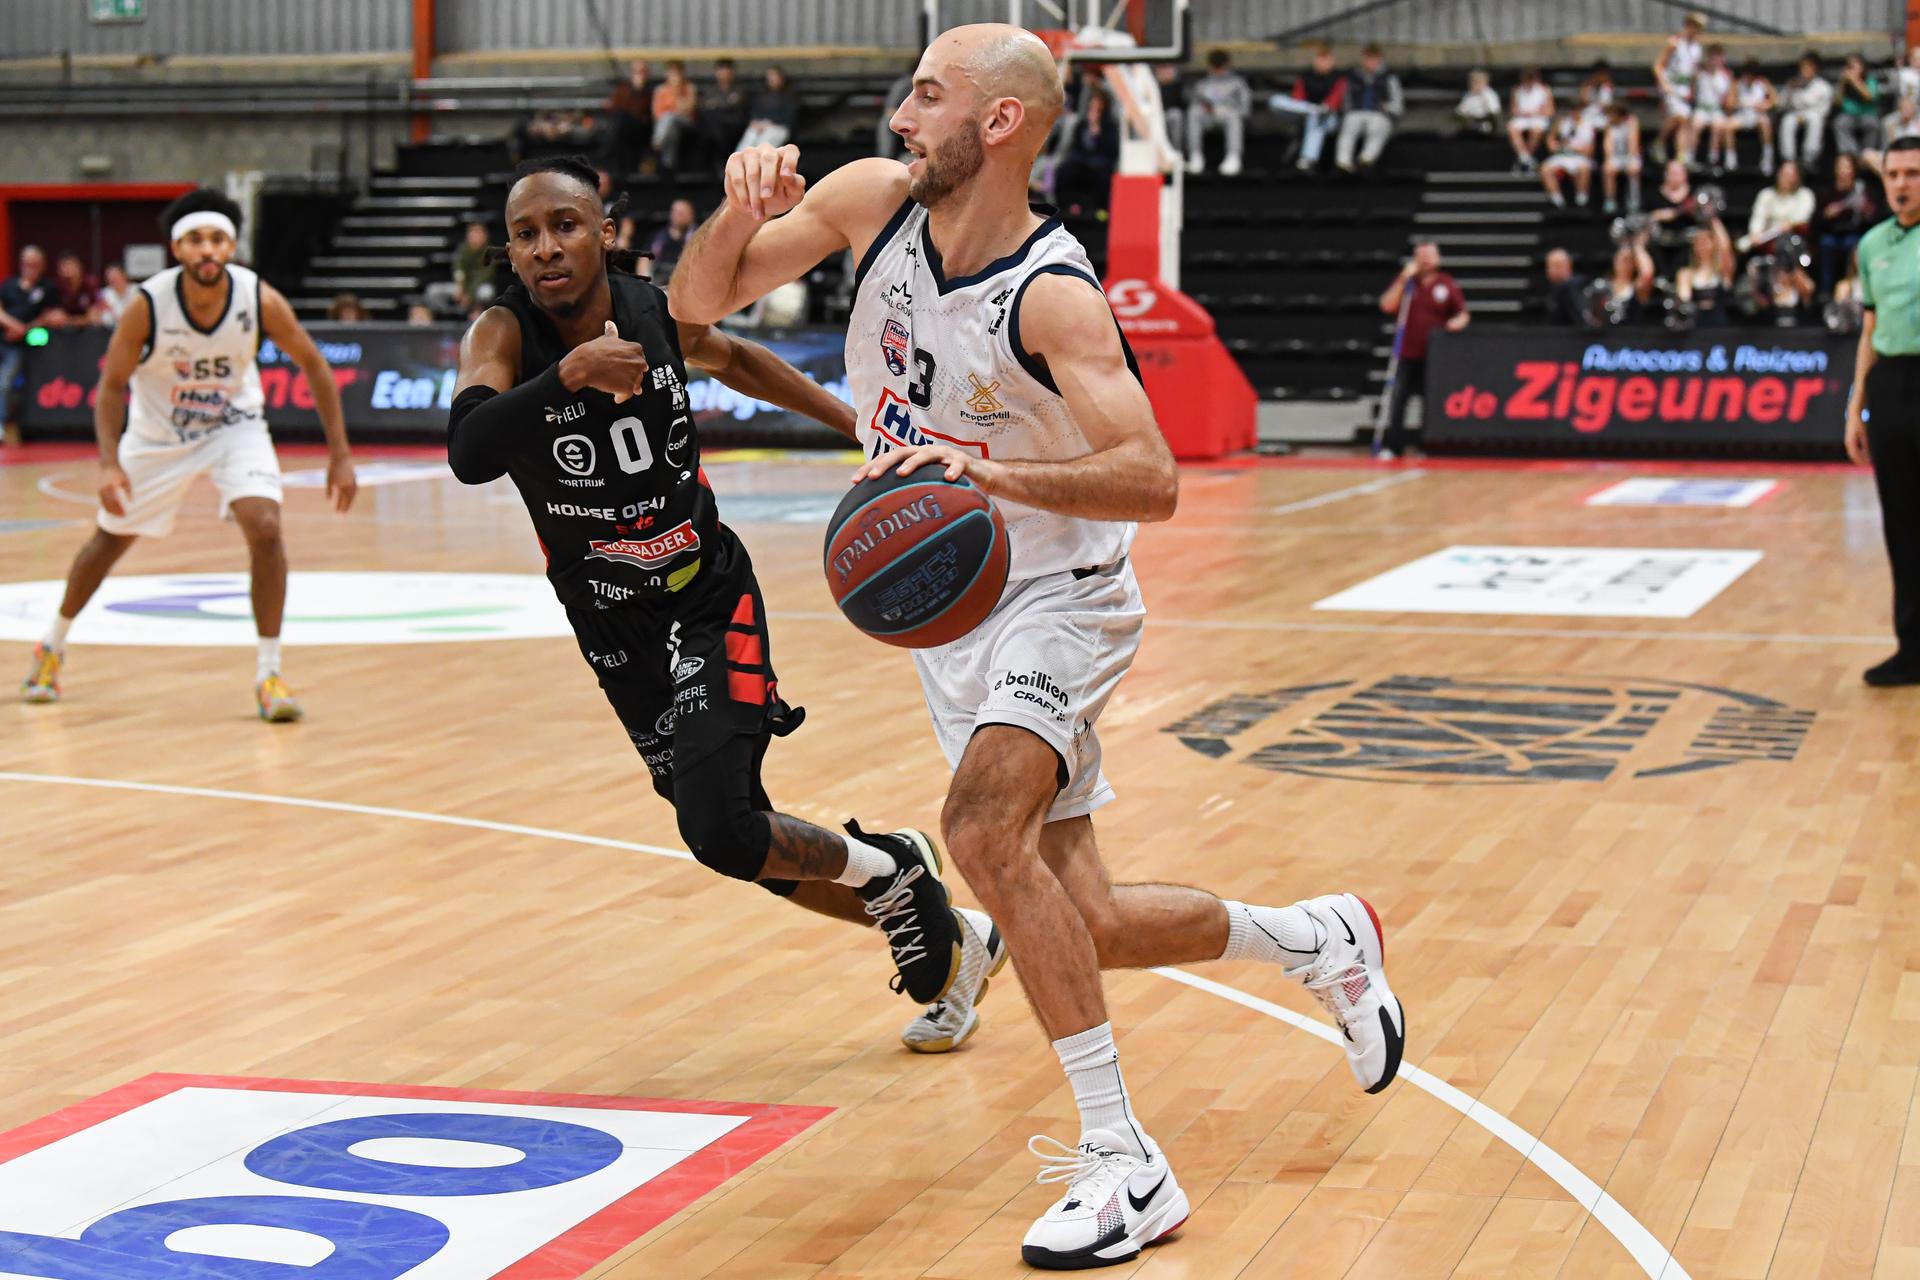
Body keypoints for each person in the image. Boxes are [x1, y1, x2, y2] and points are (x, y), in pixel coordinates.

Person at [669, 24, 1406, 1269]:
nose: (902, 116)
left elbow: (1157, 479)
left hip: (1061, 593)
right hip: (955, 612)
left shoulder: (1053, 292)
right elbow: (697, 310)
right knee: (1090, 916)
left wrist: (982, 466)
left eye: (927, 95)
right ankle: (1321, 938)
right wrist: (736, 211)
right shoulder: (870, 203)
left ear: (999, 122)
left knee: (977, 833)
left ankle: (1126, 1162)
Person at [444, 154, 993, 1057]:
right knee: (734, 837)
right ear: (509, 251)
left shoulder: (655, 308)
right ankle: (930, 922)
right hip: (609, 624)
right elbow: (469, 450)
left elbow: (737, 356)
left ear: (605, 232)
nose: (548, 246)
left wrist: (859, 428)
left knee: (713, 823)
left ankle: (897, 874)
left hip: (705, 596)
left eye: (566, 225)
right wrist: (569, 376)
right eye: (527, 233)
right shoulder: (502, 337)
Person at [20, 189, 358, 719]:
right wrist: (108, 463)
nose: (207, 249)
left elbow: (315, 366)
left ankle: (269, 674)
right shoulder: (147, 306)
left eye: (217, 239)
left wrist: (339, 453)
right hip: (158, 436)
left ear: (230, 248)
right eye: (196, 240)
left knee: (265, 527)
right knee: (110, 540)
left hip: (234, 426)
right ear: (178, 249)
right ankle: (52, 645)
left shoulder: (256, 297)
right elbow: (111, 387)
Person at [1845, 135, 1920, 685]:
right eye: (1893, 174)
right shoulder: (1872, 245)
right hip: (1892, 385)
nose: (1901, 184)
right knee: (1902, 522)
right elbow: (1870, 328)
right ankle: (1912, 650)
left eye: (1913, 174)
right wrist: (1857, 406)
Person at [1376, 241, 1468, 458]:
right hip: (1406, 354)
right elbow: (1387, 305)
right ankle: (1395, 446)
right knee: (1398, 400)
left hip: (1433, 356)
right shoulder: (1408, 285)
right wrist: (1402, 279)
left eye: (1430, 255)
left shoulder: (1445, 284)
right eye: (1422, 255)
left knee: (1430, 402)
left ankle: (1426, 446)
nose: (1426, 259)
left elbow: (1462, 313)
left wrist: (1456, 324)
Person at [0, 245, 56, 429]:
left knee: (5, 383)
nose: (30, 268)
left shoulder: (46, 288)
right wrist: (13, 326)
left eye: (34, 264)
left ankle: (2, 424)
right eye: (27, 264)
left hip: (29, 341)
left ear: (42, 265)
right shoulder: (9, 285)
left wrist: (25, 329)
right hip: (4, 337)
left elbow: (51, 316)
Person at [1273, 42, 1345, 170]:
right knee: (1275, 100)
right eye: (1319, 58)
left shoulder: (1338, 78)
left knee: (1315, 118)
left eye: (1325, 59)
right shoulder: (1305, 76)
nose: (1322, 62)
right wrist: (1309, 109)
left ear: (1332, 61)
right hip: (1305, 111)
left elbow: (1334, 102)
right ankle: (1314, 110)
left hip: (1329, 117)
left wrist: (1323, 109)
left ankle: (1308, 159)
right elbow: (1297, 100)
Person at [1816, 153, 1879, 295]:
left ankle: (1852, 289)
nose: (1843, 170)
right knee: (1826, 244)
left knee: (1853, 244)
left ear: (1853, 169)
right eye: (1840, 166)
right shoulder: (1827, 191)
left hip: (1854, 233)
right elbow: (1817, 222)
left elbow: (1873, 219)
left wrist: (1867, 212)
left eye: (1847, 166)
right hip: (1831, 233)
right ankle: (1826, 291)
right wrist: (1827, 215)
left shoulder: (1862, 190)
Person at [1053, 85, 1120, 213]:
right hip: (1083, 160)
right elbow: (1077, 148)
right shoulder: (1082, 125)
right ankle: (1064, 206)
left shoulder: (1109, 127)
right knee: (1064, 170)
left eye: (1098, 109)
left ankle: (1100, 209)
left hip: (1100, 161)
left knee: (1101, 173)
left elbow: (1110, 152)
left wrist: (1097, 134)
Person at [1336, 43, 1401, 173]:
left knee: (1377, 127)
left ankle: (1366, 159)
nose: (1371, 62)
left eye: (1374, 58)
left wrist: (1389, 109)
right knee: (1349, 126)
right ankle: (1343, 162)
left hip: (1379, 113)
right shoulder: (1354, 76)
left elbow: (1397, 101)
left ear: (1380, 59)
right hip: (1356, 111)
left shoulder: (1389, 77)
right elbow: (1345, 96)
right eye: (1368, 58)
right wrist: (1346, 111)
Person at [1185, 48, 1250, 176]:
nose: (1218, 71)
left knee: (1233, 116)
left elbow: (1245, 110)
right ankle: (1195, 156)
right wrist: (1206, 107)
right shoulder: (1203, 84)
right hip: (1208, 118)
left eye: (1221, 67)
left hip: (1229, 117)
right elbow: (1194, 103)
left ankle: (1233, 157)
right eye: (1215, 67)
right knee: (1193, 112)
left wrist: (1227, 110)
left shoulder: (1237, 83)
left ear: (1227, 66)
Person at [1653, 11, 1706, 164]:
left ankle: (1681, 155)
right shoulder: (1674, 43)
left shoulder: (1697, 48)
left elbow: (1692, 71)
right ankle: (1659, 142)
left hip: (1684, 89)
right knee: (1680, 117)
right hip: (1671, 86)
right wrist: (1664, 85)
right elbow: (1658, 65)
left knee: (1685, 122)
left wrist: (1692, 89)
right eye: (1694, 27)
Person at [1741, 160, 1813, 254]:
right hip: (1766, 237)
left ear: (1798, 177)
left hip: (1793, 239)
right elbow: (1758, 217)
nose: (1786, 178)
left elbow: (1802, 219)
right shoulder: (1766, 194)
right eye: (1784, 174)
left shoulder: (1805, 195)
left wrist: (1790, 225)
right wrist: (1755, 233)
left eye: (1790, 175)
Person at [1721, 59, 1778, 174]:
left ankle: (1767, 159)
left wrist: (1765, 105)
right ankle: (1730, 160)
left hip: (1757, 115)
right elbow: (1729, 103)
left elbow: (1775, 100)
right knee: (1727, 126)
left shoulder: (1763, 83)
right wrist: (1739, 103)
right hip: (1742, 115)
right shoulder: (1736, 84)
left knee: (1765, 123)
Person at [1675, 218, 1735, 327]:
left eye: (1706, 241)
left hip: (1719, 325)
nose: (1702, 245)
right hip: (1695, 325)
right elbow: (1684, 298)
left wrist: (1712, 217)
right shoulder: (1685, 273)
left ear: (1714, 244)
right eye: (1699, 242)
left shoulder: (1722, 271)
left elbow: (1726, 248)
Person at [1781, 53, 1833, 171]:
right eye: (1803, 67)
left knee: (1815, 120)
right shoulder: (1793, 83)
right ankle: (1789, 159)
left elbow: (1825, 110)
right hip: (1795, 114)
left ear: (1815, 68)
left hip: (1814, 115)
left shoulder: (1823, 86)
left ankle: (1809, 158)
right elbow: (1782, 105)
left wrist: (1807, 116)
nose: (1805, 70)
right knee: (1787, 121)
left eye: (1808, 67)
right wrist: (1789, 90)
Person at [602, 59, 653, 177]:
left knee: (621, 118)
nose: (638, 75)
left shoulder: (649, 92)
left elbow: (641, 113)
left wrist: (638, 91)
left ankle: (604, 156)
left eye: (641, 72)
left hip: (641, 130)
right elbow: (613, 108)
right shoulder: (623, 89)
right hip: (622, 129)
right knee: (619, 119)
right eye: (636, 72)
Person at [1540, 110, 1596, 211]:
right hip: (1562, 155)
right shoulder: (1562, 123)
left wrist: (1576, 148)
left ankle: (1581, 200)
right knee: (1545, 169)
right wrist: (1555, 146)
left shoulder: (1588, 126)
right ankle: (1556, 200)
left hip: (1579, 156)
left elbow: (1590, 150)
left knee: (1584, 169)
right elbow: (1550, 140)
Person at [700, 58, 750, 168]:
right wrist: (726, 104)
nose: (724, 73)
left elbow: (739, 112)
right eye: (721, 70)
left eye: (727, 70)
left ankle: (722, 162)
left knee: (718, 120)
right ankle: (720, 163)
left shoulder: (739, 90)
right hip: (713, 131)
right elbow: (704, 107)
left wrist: (717, 105)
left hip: (733, 127)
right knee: (713, 121)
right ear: (716, 72)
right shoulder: (710, 90)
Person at [1690, 44, 1733, 171]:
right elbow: (1692, 90)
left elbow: (1728, 98)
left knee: (1717, 125)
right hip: (1702, 108)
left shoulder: (1726, 76)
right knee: (1695, 125)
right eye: (1713, 58)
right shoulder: (1700, 74)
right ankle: (1691, 157)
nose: (1715, 62)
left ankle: (1713, 158)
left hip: (1716, 110)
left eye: (1718, 58)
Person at [1600, 232, 1658, 324]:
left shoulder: (1636, 289)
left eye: (1628, 260)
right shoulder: (1603, 286)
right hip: (1605, 336)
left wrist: (1638, 246)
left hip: (1630, 336)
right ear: (1615, 260)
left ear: (1635, 265)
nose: (1624, 263)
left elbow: (1647, 275)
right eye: (1621, 258)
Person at [651, 60, 698, 172]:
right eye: (671, 73)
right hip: (667, 125)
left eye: (677, 73)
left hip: (687, 124)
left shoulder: (689, 88)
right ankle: (669, 167)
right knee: (671, 127)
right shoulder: (660, 90)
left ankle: (657, 142)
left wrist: (676, 91)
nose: (674, 76)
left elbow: (688, 110)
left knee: (670, 117)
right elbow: (656, 114)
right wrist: (670, 115)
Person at [740, 64, 799, 152]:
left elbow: (789, 118)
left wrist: (769, 123)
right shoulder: (762, 96)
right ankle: (739, 162)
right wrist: (756, 122)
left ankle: (759, 164)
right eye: (770, 77)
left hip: (779, 128)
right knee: (750, 134)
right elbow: (754, 113)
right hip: (761, 126)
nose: (772, 79)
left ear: (781, 78)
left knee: (763, 143)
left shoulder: (789, 97)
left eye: (775, 76)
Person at [1507, 66, 1554, 173]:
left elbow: (1550, 111)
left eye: (1531, 77)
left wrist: (1536, 112)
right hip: (1522, 118)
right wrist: (1523, 113)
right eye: (1527, 77)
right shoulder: (1516, 90)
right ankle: (1526, 159)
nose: (1529, 80)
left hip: (1538, 119)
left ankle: (1524, 161)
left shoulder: (1545, 90)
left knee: (1536, 130)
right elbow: (1513, 110)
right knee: (1511, 128)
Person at [1601, 102, 1644, 214]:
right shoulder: (1609, 125)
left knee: (1633, 169)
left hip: (1631, 155)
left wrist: (1630, 160)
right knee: (1608, 169)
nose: (1609, 117)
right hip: (1616, 156)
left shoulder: (1632, 121)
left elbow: (1633, 143)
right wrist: (1608, 159)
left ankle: (1634, 201)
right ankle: (1610, 201)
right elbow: (1607, 144)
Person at [1836, 54, 1881, 158]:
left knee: (1872, 124)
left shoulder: (1870, 79)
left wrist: (1855, 80)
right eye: (1850, 66)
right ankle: (1853, 156)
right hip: (1849, 115)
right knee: (1839, 123)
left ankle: (1868, 155)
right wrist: (1842, 83)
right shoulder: (1845, 82)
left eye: (1856, 66)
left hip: (1867, 114)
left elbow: (1869, 96)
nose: (1853, 69)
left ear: (1863, 67)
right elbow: (1838, 102)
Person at [645, 197, 697, 284]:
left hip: (687, 281)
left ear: (691, 215)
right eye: (675, 212)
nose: (678, 215)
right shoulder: (658, 237)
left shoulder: (699, 237)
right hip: (660, 280)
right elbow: (644, 259)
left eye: (682, 213)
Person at [1542, 247, 1590, 325]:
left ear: (1569, 265)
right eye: (1550, 266)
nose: (1553, 269)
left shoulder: (1575, 287)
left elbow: (1582, 319)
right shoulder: (1551, 288)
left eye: (1557, 265)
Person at [49, 250, 98, 325]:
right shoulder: (56, 286)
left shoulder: (89, 284)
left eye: (71, 266)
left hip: (86, 329)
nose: (68, 271)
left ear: (80, 268)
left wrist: (73, 321)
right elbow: (52, 316)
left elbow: (94, 316)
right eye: (64, 267)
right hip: (61, 330)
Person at [1454, 67, 1498, 136]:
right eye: (1472, 81)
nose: (1473, 84)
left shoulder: (1489, 94)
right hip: (1469, 125)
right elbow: (1459, 110)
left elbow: (1494, 111)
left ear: (1485, 82)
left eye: (1476, 82)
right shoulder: (1468, 95)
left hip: (1484, 126)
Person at [1578, 60, 1616, 128]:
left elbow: (1608, 106)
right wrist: (1586, 90)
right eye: (1600, 74)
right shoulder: (1587, 86)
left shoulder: (1607, 87)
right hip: (1587, 116)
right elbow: (1582, 103)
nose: (1603, 77)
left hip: (1603, 116)